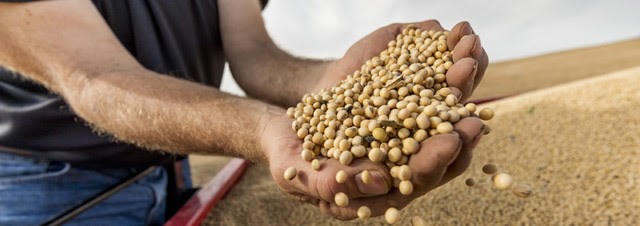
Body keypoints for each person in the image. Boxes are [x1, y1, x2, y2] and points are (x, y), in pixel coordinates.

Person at [0, 0, 488, 225]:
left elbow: (254, 57)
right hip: (47, 186)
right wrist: (260, 128)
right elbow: (94, 78)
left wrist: (329, 84)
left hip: (166, 163)